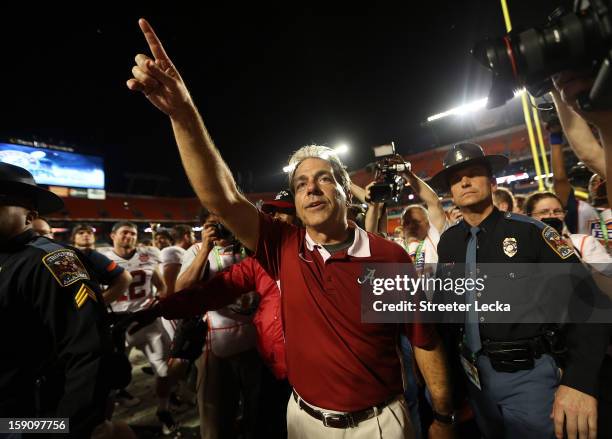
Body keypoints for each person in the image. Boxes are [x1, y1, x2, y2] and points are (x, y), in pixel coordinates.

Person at [126, 18, 454, 438]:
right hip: (302, 421)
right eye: (300, 183)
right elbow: (222, 198)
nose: (311, 188)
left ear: (346, 191)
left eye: (323, 179)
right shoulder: (283, 247)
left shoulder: (386, 257)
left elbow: (423, 339)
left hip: (380, 423)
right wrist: (183, 113)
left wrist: (443, 417)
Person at [429, 142, 609, 439]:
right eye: (456, 179)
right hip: (474, 378)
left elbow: (591, 304)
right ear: (450, 192)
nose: (464, 182)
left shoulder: (532, 233)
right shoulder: (448, 242)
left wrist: (579, 381)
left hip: (529, 376)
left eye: (474, 173)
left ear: (493, 182)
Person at [131, 190, 297, 439]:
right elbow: (181, 290)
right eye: (213, 223)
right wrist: (205, 248)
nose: (221, 227)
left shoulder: (251, 245)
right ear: (203, 227)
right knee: (216, 417)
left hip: (257, 344)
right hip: (215, 344)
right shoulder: (197, 249)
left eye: (225, 220)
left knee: (256, 413)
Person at [0, 162, 114, 437]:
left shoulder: (54, 260)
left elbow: (89, 351)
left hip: (25, 418)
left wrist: (64, 428)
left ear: (30, 217)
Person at [98, 221, 178, 435]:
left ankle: (163, 409)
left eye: (133, 233)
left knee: (163, 368)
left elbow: (161, 287)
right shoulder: (101, 257)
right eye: (124, 233)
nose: (129, 237)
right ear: (113, 235)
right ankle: (104, 424)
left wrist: (154, 307)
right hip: (116, 324)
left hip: (146, 320)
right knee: (110, 377)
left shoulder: (149, 254)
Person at [71, 223, 133, 304]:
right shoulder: (69, 256)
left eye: (89, 233)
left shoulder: (105, 254)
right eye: (81, 233)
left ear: (94, 237)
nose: (86, 235)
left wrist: (99, 304)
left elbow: (125, 279)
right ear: (73, 238)